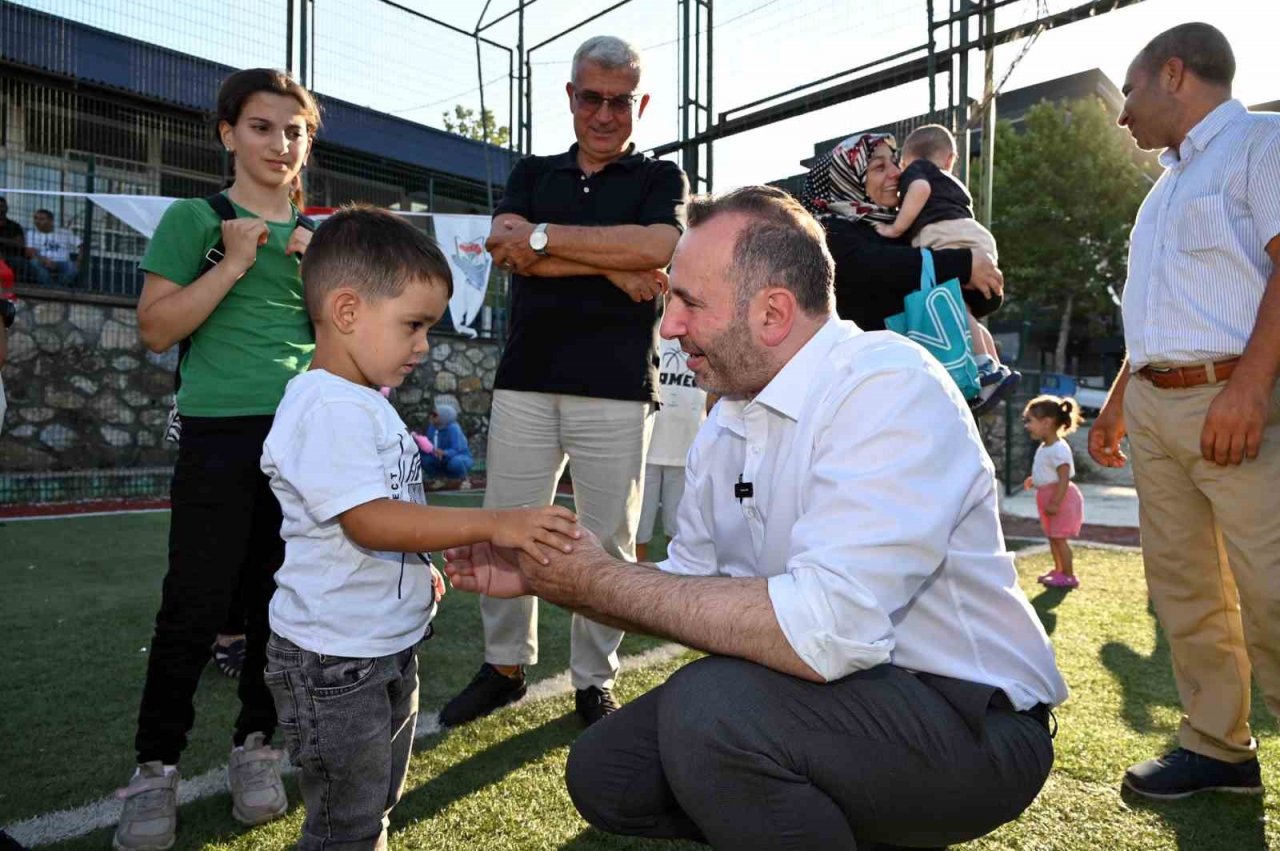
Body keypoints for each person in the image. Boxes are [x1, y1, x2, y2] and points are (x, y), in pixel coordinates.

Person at [445, 186, 1068, 849]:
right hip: (847, 694)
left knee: (713, 709)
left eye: (688, 302)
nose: (668, 326)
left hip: (971, 717)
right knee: (610, 772)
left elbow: (829, 629)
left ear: (772, 313)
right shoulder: (730, 419)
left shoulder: (888, 383)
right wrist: (553, 577)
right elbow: (688, 584)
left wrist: (595, 580)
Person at [261, 206, 579, 851]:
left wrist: (418, 566)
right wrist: (496, 523)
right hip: (335, 659)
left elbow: (388, 508)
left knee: (374, 806)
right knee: (346, 826)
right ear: (346, 311)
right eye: (413, 325)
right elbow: (369, 521)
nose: (424, 345)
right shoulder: (326, 406)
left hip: (379, 648)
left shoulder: (362, 402)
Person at [440, 34, 689, 729]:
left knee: (607, 542)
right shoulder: (531, 171)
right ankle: (504, 667)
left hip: (617, 386)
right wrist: (611, 263)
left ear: (640, 103)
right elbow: (505, 247)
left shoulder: (659, 177)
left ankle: (593, 679)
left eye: (620, 101)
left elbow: (657, 247)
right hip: (526, 377)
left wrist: (543, 240)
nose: (605, 114)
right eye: (592, 98)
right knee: (507, 527)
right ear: (571, 96)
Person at [114, 68, 322, 851]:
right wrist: (231, 262)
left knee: (279, 606)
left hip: (300, 441)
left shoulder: (320, 238)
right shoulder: (196, 220)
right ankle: (155, 766)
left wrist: (318, 273)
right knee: (194, 605)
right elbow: (156, 329)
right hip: (217, 436)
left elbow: (348, 347)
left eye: (295, 130)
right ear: (229, 134)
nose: (281, 143)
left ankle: (257, 746)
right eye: (263, 127)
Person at [1088, 22, 1280, 800]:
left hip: (1237, 399)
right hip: (1156, 405)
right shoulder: (1163, 188)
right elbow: (1160, 312)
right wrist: (1116, 403)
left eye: (1130, 90)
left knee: (1273, 587)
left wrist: (1249, 387)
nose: (1122, 112)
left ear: (1173, 74)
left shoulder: (1263, 143)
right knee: (1183, 588)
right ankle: (1217, 746)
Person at [802, 132, 1016, 415]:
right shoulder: (827, 233)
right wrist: (964, 264)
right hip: (870, 404)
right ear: (847, 179)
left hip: (928, 403)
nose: (896, 172)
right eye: (879, 167)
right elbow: (874, 267)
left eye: (894, 162)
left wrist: (979, 275)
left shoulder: (905, 226)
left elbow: (981, 298)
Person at [874, 125, 1018, 399]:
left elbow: (920, 189)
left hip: (944, 236)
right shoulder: (952, 182)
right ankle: (996, 366)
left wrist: (897, 228)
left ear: (905, 161)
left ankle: (984, 367)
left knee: (952, 305)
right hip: (975, 239)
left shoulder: (917, 170)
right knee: (965, 309)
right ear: (951, 159)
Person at [635, 336, 706, 562]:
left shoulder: (704, 340)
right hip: (644, 453)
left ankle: (671, 583)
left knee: (680, 537)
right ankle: (635, 583)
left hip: (687, 456)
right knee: (636, 533)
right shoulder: (650, 335)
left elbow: (715, 395)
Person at [1022, 395, 1085, 589]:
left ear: (1047, 422)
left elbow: (1063, 478)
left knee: (1059, 538)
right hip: (1048, 496)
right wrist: (1036, 479)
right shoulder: (1046, 447)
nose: (1026, 426)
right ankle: (1059, 571)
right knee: (1053, 537)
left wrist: (1056, 502)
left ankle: (1069, 575)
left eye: (1030, 421)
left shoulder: (1058, 448)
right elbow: (1049, 472)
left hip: (1061, 498)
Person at [422, 403, 474, 488]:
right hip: (439, 457)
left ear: (444, 416)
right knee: (424, 460)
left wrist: (444, 452)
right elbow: (429, 444)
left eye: (435, 415)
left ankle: (464, 479)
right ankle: (440, 478)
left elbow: (457, 449)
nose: (431, 416)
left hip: (458, 457)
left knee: (455, 463)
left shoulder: (453, 429)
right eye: (431, 414)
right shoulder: (432, 428)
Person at [25, 208, 80, 287]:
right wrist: (44, 260)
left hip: (63, 262)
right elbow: (30, 252)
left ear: (51, 221)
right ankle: (53, 288)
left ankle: (57, 287)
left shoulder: (64, 232)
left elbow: (82, 246)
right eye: (35, 218)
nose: (37, 221)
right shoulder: (31, 233)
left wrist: (78, 261)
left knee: (72, 267)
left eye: (42, 219)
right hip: (42, 260)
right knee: (34, 263)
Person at [0, 197, 39, 285]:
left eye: (2, 206)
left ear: (6, 208)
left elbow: (19, 243)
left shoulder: (14, 226)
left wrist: (2, 240)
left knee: (24, 265)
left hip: (11, 257)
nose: (0, 209)